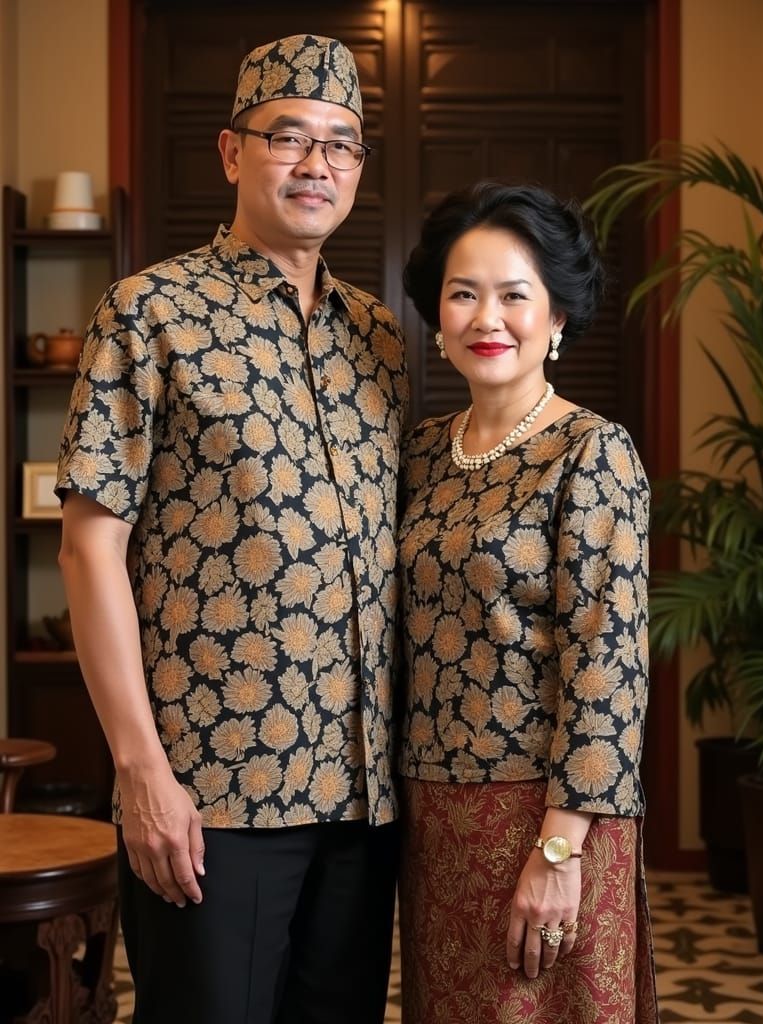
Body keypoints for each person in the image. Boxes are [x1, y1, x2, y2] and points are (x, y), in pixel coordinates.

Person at [56, 34, 408, 1024]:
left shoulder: (379, 341)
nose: (317, 164)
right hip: (213, 791)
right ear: (229, 152)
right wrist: (141, 772)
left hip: (362, 796)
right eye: (289, 136)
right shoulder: (147, 315)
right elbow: (89, 549)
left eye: (340, 144)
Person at [397, 181, 658, 1023]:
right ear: (437, 317)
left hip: (546, 819)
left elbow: (607, 665)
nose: (487, 318)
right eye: (463, 294)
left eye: (515, 295)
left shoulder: (592, 453)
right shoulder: (421, 456)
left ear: (557, 320)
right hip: (434, 819)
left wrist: (559, 847)